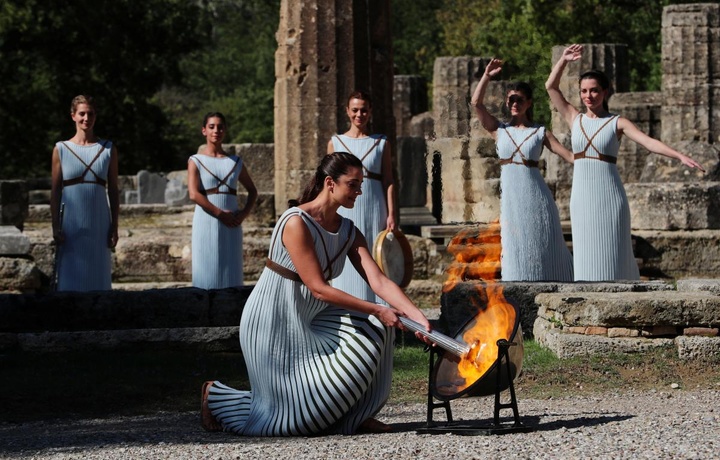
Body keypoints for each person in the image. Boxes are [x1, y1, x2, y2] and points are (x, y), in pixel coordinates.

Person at [201, 152, 432, 436]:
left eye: (361, 184)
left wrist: (417, 316)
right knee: (291, 422)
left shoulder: (348, 230)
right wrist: (377, 309)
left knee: (377, 329)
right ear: (330, 183)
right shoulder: (296, 222)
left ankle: (357, 415)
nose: (360, 191)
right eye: (353, 184)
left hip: (312, 318)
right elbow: (318, 289)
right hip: (273, 320)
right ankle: (216, 395)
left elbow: (379, 281)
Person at [546, 44, 705, 281]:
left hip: (609, 194)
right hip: (582, 195)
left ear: (606, 92)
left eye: (594, 91)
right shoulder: (574, 118)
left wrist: (679, 155)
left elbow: (648, 142)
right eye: (584, 91)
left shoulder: (618, 123)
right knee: (585, 249)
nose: (588, 96)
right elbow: (551, 87)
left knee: (613, 248)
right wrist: (563, 61)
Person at [471, 58, 574, 282]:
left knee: (543, 243)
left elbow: (568, 156)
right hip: (512, 199)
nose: (514, 103)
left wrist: (594, 161)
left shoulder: (540, 132)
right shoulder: (499, 130)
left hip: (537, 196)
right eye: (511, 100)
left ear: (528, 103)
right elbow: (476, 104)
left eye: (519, 99)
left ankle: (553, 284)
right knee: (513, 246)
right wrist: (487, 76)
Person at [327, 91, 397, 301]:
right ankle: (348, 309)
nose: (360, 114)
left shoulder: (381, 142)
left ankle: (380, 315)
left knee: (377, 258)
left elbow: (389, 180)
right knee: (346, 254)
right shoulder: (335, 143)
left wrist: (392, 214)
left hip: (375, 206)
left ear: (370, 112)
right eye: (355, 110)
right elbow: (328, 183)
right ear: (348, 111)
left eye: (364, 110)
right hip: (346, 208)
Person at [50, 95, 119, 291]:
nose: (86, 118)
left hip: (99, 221)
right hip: (71, 224)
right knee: (71, 276)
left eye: (91, 114)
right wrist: (55, 225)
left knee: (98, 275)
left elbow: (113, 190)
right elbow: (55, 192)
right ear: (73, 116)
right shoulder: (61, 149)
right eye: (82, 114)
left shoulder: (108, 149)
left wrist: (115, 225)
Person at [188, 112, 257, 289]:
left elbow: (252, 191)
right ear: (204, 130)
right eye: (211, 127)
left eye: (220, 127)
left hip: (232, 223)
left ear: (225, 130)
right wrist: (219, 213)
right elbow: (194, 194)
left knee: (231, 271)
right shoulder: (196, 160)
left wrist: (243, 215)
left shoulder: (235, 161)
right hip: (207, 220)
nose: (216, 130)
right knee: (206, 270)